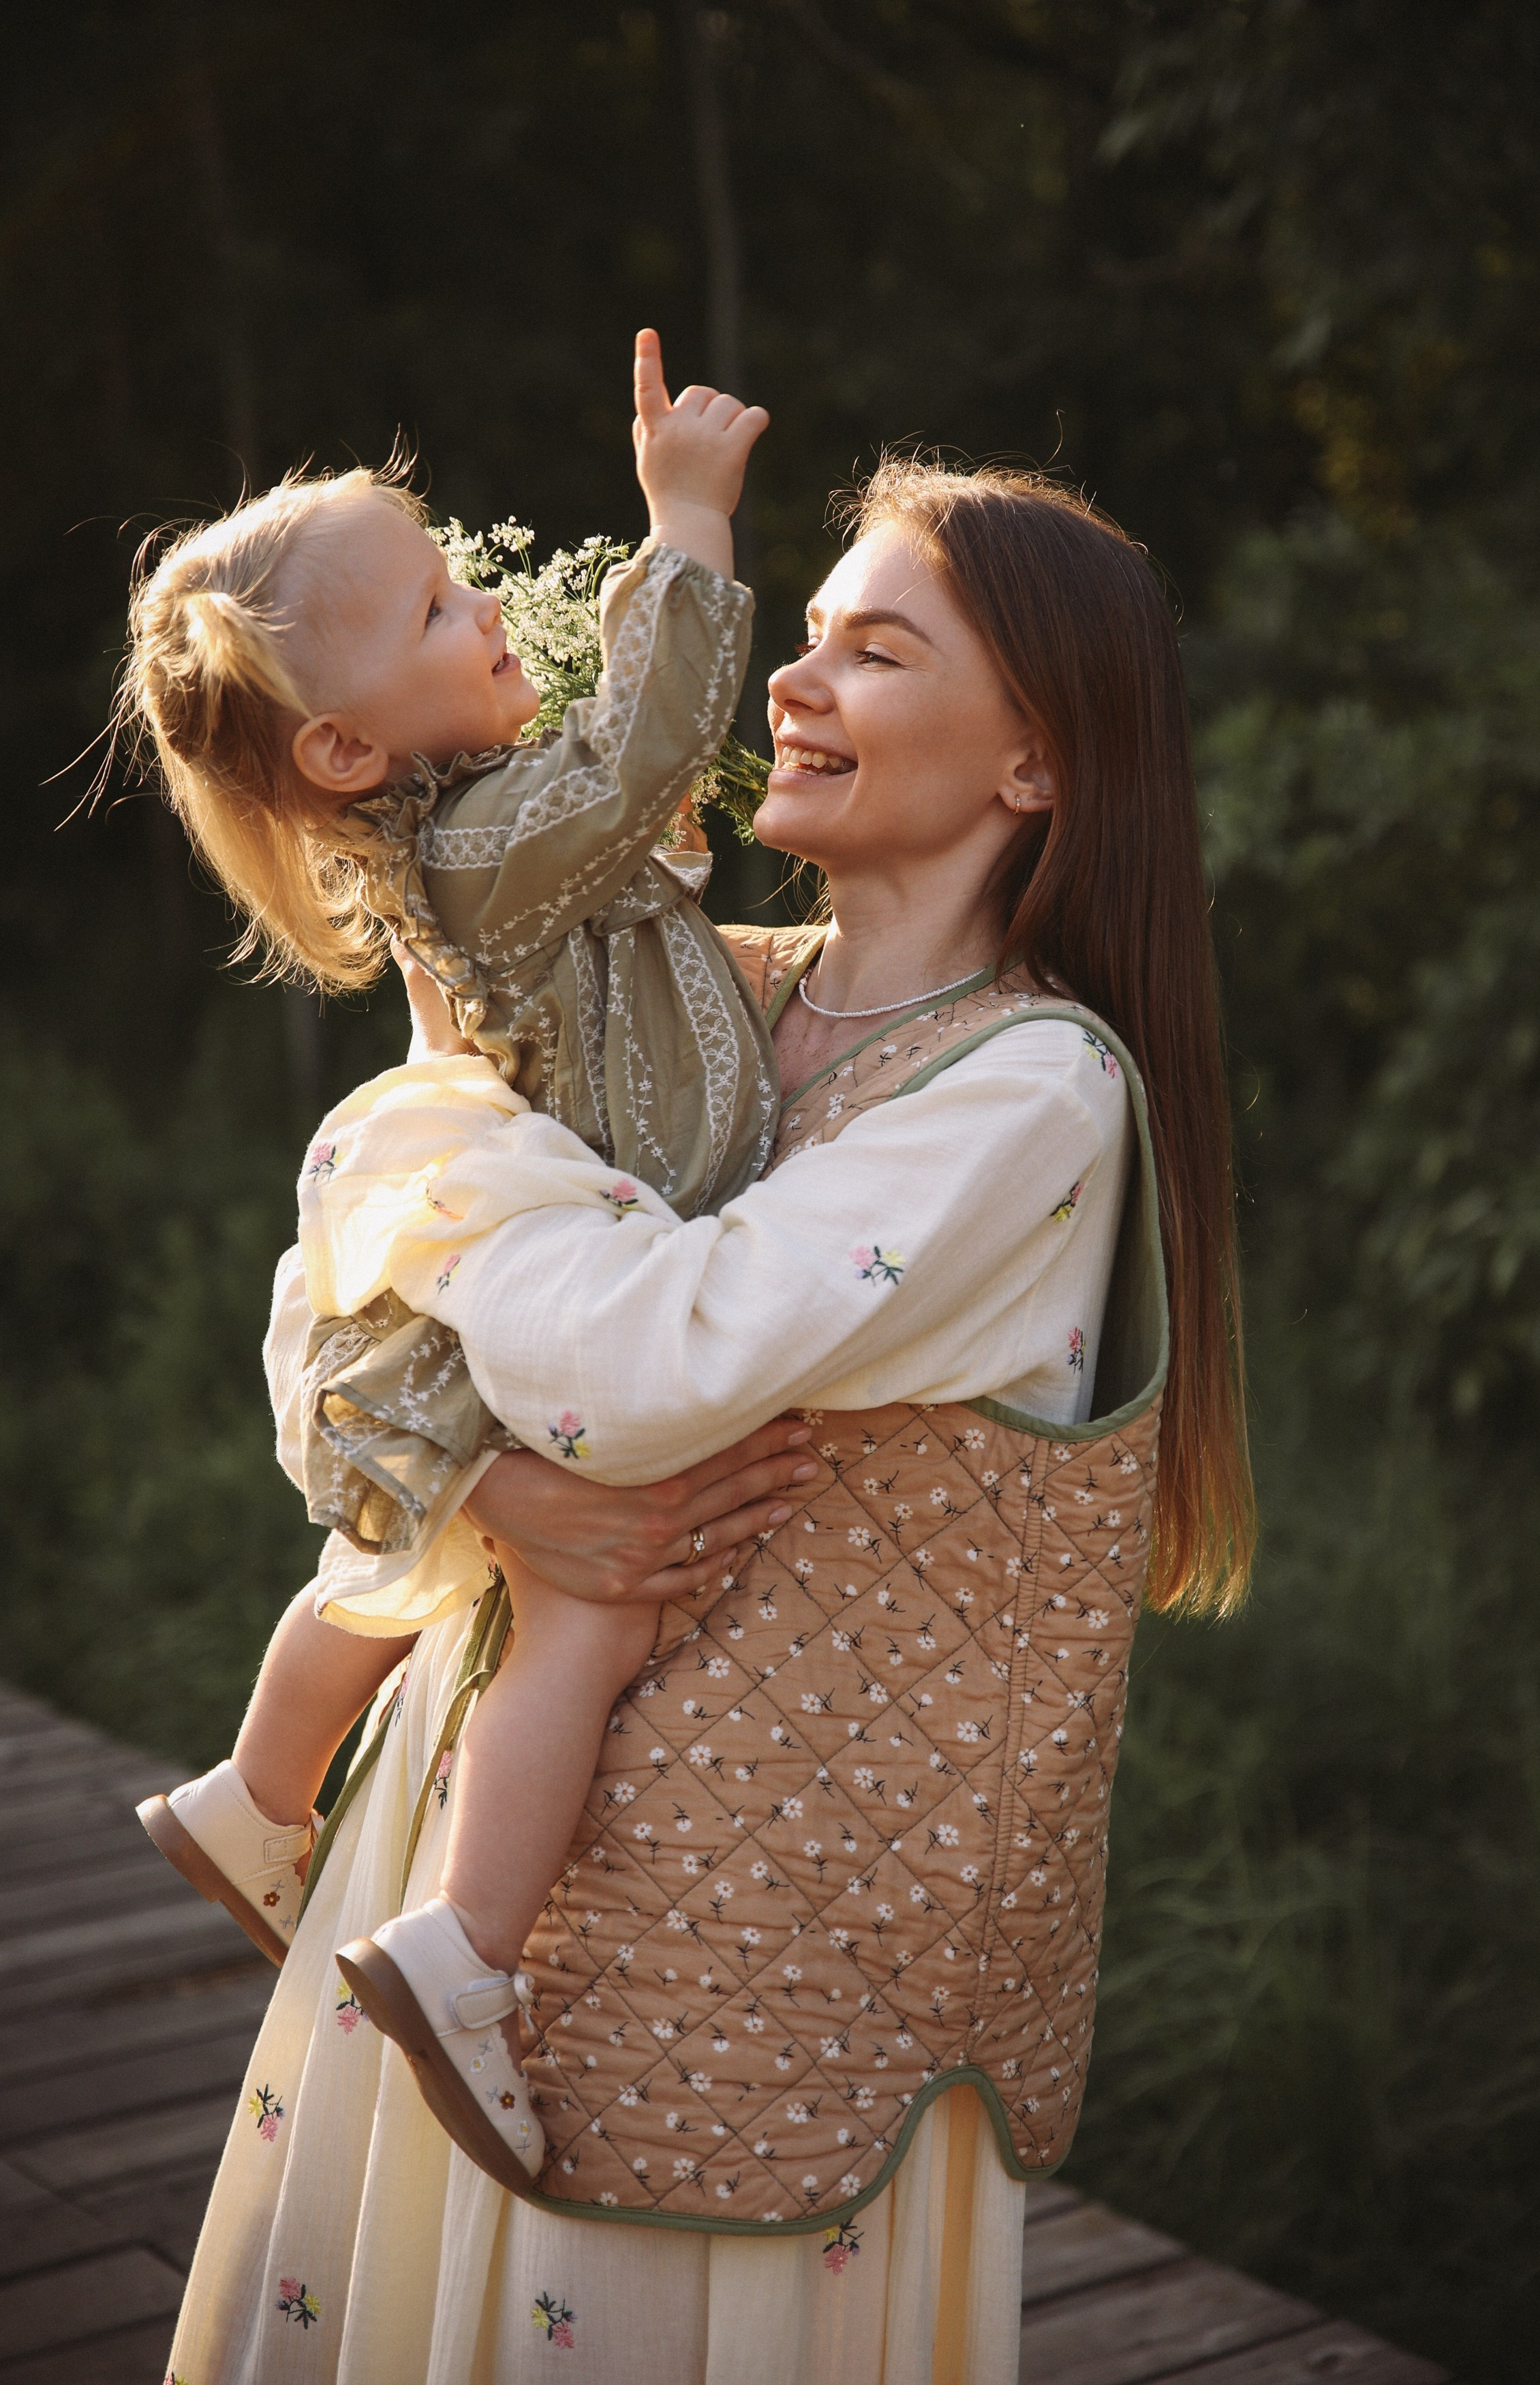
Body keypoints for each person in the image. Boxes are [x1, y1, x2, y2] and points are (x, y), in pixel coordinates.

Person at [166, 455, 1253, 2385]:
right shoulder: (702, 1007)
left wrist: (431, 1148)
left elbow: (642, 1354)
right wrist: (491, 1486)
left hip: (775, 1971)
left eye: (878, 647)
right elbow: (325, 1324)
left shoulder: (1032, 1097)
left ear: (1035, 767)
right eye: (807, 632)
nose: (797, 681)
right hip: (465, 1888)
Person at [125, 334, 809, 2187]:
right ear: (344, 747)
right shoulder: (492, 840)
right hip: (589, 1268)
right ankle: (464, 1952)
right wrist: (684, 520)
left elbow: (632, 827)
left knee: (410, 1540)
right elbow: (651, 740)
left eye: (461, 572)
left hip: (545, 1247)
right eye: (437, 606)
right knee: (585, 1613)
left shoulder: (467, 834)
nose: (487, 600)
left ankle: (257, 1790)